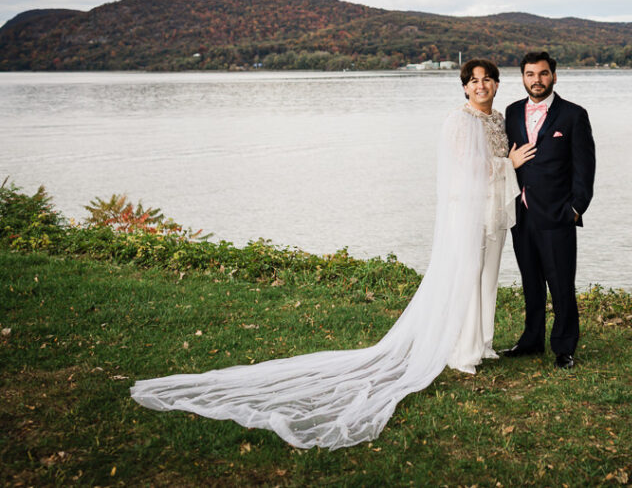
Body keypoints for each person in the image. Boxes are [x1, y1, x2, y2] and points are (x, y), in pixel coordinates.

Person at [130, 59, 534, 449]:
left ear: (497, 84)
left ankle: (482, 342)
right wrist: (509, 163)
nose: (482, 86)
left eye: (488, 79)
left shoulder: (496, 119)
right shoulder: (459, 121)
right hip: (467, 211)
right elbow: (464, 170)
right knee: (466, 274)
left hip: (493, 210)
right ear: (464, 86)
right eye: (474, 80)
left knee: (487, 274)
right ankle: (461, 353)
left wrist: (505, 168)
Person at [501, 51, 595, 370]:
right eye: (530, 74)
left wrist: (575, 209)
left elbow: (585, 169)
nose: (536, 80)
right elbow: (507, 157)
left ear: (554, 76)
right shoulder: (511, 112)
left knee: (561, 283)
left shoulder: (573, 115)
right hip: (521, 213)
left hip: (557, 214)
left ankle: (564, 347)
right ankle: (530, 340)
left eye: (542, 74)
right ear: (523, 77)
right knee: (530, 280)